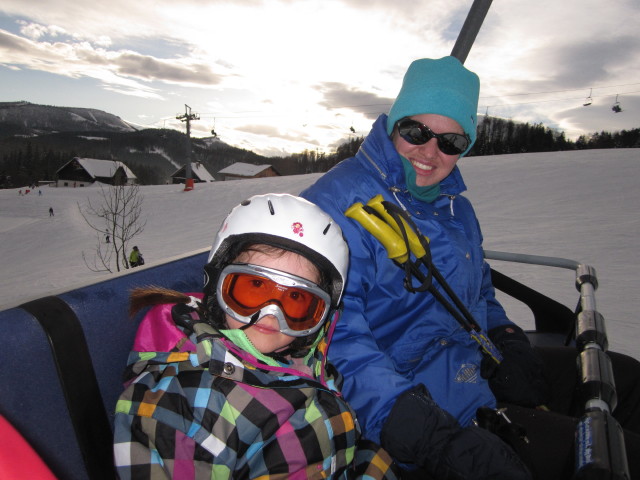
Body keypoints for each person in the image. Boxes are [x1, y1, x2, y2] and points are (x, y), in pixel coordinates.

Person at [301, 56, 640, 480]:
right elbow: (333, 339)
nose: (430, 152)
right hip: (410, 404)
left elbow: (480, 292)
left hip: (470, 368)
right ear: (392, 125)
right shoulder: (336, 205)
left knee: (624, 378)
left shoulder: (456, 207)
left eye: (451, 142)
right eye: (416, 132)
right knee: (616, 458)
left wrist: (508, 338)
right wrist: (422, 429)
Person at [113, 193, 398, 479]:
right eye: (255, 287)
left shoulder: (305, 363)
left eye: (296, 298)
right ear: (217, 286)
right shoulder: (183, 406)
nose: (271, 314)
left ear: (321, 314)